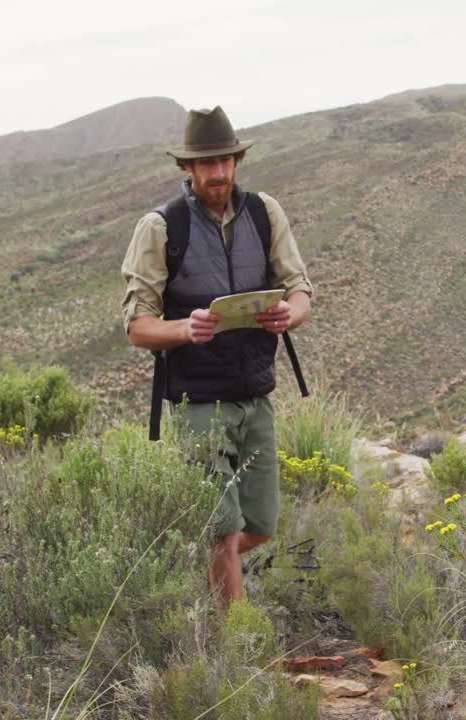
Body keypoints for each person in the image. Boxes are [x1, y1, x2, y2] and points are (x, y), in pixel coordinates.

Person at [121, 106, 312, 612]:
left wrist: (288, 315)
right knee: (222, 533)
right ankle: (236, 643)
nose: (218, 172)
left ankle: (185, 567)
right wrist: (185, 329)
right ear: (188, 167)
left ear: (237, 161)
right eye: (207, 163)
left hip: (256, 393)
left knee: (260, 526)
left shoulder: (264, 213)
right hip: (198, 401)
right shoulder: (161, 227)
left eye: (225, 161)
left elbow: (300, 290)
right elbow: (138, 326)